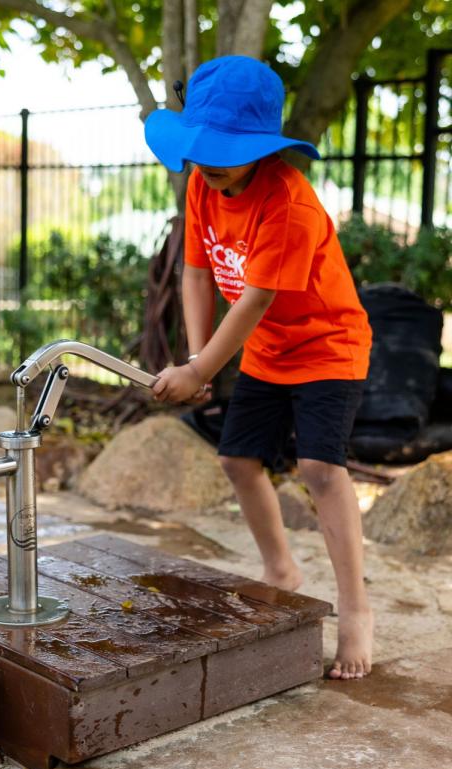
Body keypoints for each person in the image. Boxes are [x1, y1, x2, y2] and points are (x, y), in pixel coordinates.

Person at [144, 55, 374, 680]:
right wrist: (199, 363)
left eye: (228, 149)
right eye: (204, 148)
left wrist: (199, 370)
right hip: (270, 351)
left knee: (321, 469)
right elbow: (196, 272)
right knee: (236, 458)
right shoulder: (202, 186)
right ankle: (280, 568)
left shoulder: (288, 203)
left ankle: (355, 609)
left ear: (262, 147)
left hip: (329, 344)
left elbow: (255, 297)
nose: (212, 163)